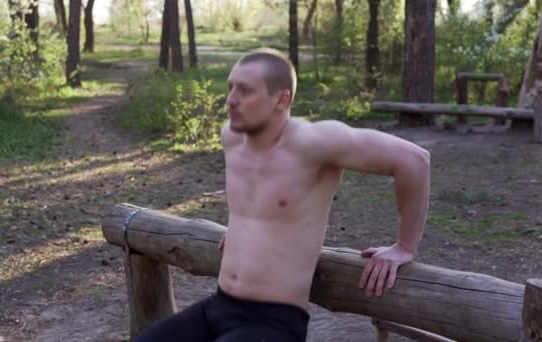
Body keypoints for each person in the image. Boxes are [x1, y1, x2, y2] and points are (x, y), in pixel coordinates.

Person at [135, 48, 430, 342]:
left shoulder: (314, 143)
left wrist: (404, 247)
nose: (230, 100)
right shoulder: (232, 136)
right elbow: (257, 200)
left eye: (245, 91)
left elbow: (414, 160)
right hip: (219, 306)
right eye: (231, 88)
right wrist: (243, 230)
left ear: (282, 99)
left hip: (273, 323)